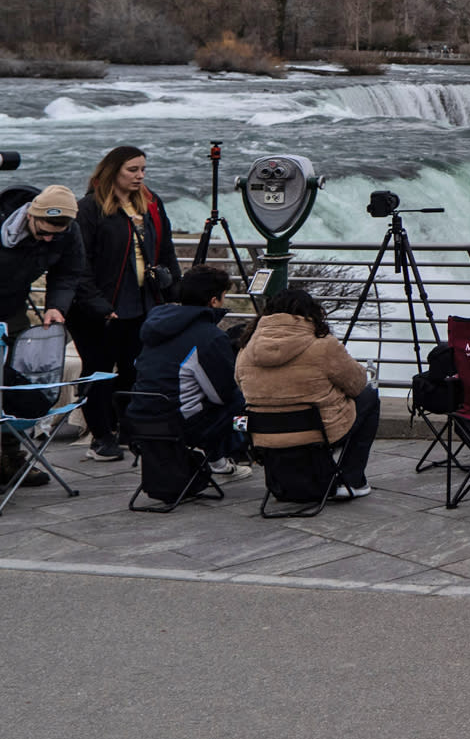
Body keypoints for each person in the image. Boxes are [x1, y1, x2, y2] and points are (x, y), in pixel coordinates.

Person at [67, 145, 178, 463]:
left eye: (143, 169)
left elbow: (166, 250)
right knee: (98, 371)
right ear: (112, 171)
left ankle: (128, 429)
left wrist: (175, 294)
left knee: (134, 369)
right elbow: (79, 264)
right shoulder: (89, 209)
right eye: (132, 170)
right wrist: (98, 305)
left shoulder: (151, 203)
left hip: (142, 302)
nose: (140, 176)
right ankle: (101, 437)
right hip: (98, 309)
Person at [236, 287, 381, 500]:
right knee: (370, 396)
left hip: (263, 435)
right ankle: (351, 479)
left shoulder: (246, 347)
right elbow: (357, 384)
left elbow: (240, 385)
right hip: (318, 432)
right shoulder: (323, 345)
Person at [1, 185, 89, 488]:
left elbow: (68, 272)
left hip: (13, 309)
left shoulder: (67, 231)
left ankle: (10, 460)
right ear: (31, 215)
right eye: (45, 232)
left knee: (14, 385)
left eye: (57, 233)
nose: (49, 239)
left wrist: (55, 306)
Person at [131, 266, 250, 474]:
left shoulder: (155, 326)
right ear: (214, 301)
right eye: (223, 296)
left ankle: (216, 460)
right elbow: (222, 396)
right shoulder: (209, 336)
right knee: (242, 404)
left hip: (139, 419)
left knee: (203, 398)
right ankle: (231, 453)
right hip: (180, 426)